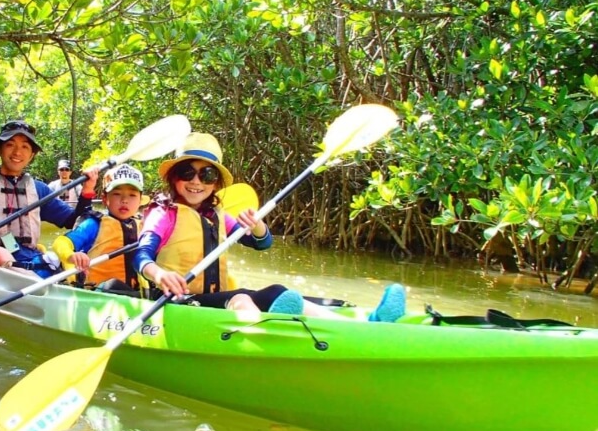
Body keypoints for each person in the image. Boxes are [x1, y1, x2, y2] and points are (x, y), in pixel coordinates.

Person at [133, 133, 406, 321]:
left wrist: (258, 226)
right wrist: (159, 274)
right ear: (173, 177)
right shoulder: (164, 213)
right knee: (240, 298)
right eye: (186, 173)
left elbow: (262, 244)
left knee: (277, 291)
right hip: (175, 303)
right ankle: (263, 335)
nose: (197, 182)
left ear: (215, 182)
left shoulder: (216, 215)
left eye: (207, 175)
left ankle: (367, 323)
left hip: (212, 300)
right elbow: (141, 255)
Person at [0, 119, 95, 277]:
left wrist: (87, 191)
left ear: (32, 155)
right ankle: (34, 282)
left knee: (60, 257)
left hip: (27, 257)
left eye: (25, 147)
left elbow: (73, 220)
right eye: (10, 144)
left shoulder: (38, 189)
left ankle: (45, 281)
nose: (17, 152)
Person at [62, 164, 151, 298]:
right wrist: (70, 254)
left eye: (132, 195)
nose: (124, 200)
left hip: (136, 295)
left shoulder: (145, 226)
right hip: (99, 294)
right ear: (104, 199)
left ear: (140, 201)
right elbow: (62, 242)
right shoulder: (94, 224)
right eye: (116, 194)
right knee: (113, 285)